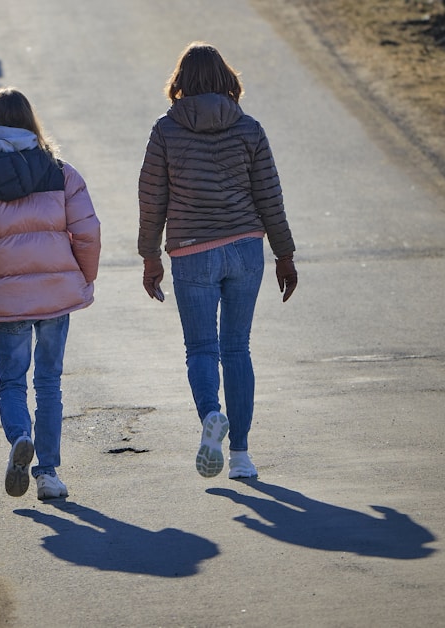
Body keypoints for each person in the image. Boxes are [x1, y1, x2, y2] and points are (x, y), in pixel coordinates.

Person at [138, 42, 297, 481]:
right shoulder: (249, 129)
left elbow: (153, 200)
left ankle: (212, 415)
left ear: (181, 83)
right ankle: (241, 457)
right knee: (237, 348)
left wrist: (151, 257)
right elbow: (270, 197)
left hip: (192, 251)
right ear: (227, 79)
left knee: (202, 348)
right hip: (245, 247)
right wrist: (284, 254)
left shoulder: (165, 131)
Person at [0, 88, 101, 500]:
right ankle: (48, 474)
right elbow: (87, 230)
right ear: (31, 123)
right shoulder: (60, 171)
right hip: (56, 292)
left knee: (12, 383)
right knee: (50, 383)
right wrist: (82, 279)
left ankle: (20, 438)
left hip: (5, 299)